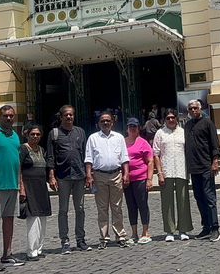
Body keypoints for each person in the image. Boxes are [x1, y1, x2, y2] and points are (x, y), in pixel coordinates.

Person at [45, 104, 90, 254]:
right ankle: (64, 241)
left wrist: (89, 174)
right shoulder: (55, 133)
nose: (69, 117)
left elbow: (85, 154)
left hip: (79, 175)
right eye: (66, 115)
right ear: (61, 117)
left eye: (71, 115)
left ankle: (80, 239)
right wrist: (51, 176)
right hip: (63, 176)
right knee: (63, 210)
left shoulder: (80, 132)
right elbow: (50, 156)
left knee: (80, 209)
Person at [84, 112, 130, 249]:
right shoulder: (93, 138)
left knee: (117, 207)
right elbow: (88, 158)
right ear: (98, 123)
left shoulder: (119, 137)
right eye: (103, 121)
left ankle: (120, 236)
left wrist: (126, 174)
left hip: (116, 174)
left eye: (108, 121)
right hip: (99, 176)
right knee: (102, 208)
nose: (105, 123)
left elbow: (124, 158)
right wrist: (89, 176)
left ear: (112, 122)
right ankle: (104, 237)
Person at [0, 105, 24, 269]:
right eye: (5, 116)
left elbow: (17, 162)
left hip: (13, 185)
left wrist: (20, 184)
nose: (8, 118)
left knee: (9, 219)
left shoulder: (15, 135)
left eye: (11, 116)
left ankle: (7, 254)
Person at [184, 99, 220, 242]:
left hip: (207, 166)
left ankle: (215, 228)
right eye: (190, 109)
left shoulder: (207, 123)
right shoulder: (187, 126)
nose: (193, 111)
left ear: (200, 109)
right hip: (194, 168)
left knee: (209, 198)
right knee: (199, 198)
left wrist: (215, 162)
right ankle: (205, 226)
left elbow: (214, 143)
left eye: (195, 108)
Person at [153, 110, 193, 242]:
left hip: (181, 170)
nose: (171, 120)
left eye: (173, 117)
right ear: (164, 120)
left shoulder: (183, 132)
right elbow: (156, 154)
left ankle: (183, 229)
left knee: (183, 200)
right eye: (168, 118)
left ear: (176, 118)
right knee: (167, 201)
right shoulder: (160, 133)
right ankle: (169, 230)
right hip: (166, 171)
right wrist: (159, 173)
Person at [19, 125, 52, 261]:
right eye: (32, 134)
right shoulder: (23, 149)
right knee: (33, 218)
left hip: (41, 186)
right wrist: (21, 187)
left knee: (42, 217)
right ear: (27, 135)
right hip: (29, 186)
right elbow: (19, 167)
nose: (35, 137)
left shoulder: (42, 150)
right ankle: (31, 251)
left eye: (38, 134)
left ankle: (39, 248)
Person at [123, 117, 153, 244]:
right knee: (131, 206)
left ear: (138, 128)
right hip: (127, 179)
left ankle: (145, 232)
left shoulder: (143, 143)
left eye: (134, 126)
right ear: (127, 129)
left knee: (142, 205)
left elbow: (150, 161)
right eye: (130, 126)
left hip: (140, 178)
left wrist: (149, 179)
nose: (132, 128)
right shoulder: (122, 142)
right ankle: (134, 233)